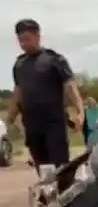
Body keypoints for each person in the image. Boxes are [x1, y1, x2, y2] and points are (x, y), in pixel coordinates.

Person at [8, 19, 83, 187]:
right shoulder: (19, 65)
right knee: (42, 166)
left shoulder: (54, 60)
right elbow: (18, 92)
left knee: (60, 164)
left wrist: (80, 111)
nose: (23, 44)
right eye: (20, 40)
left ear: (37, 36)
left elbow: (70, 87)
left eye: (27, 39)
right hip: (32, 123)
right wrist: (11, 118)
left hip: (53, 121)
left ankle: (66, 194)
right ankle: (50, 197)